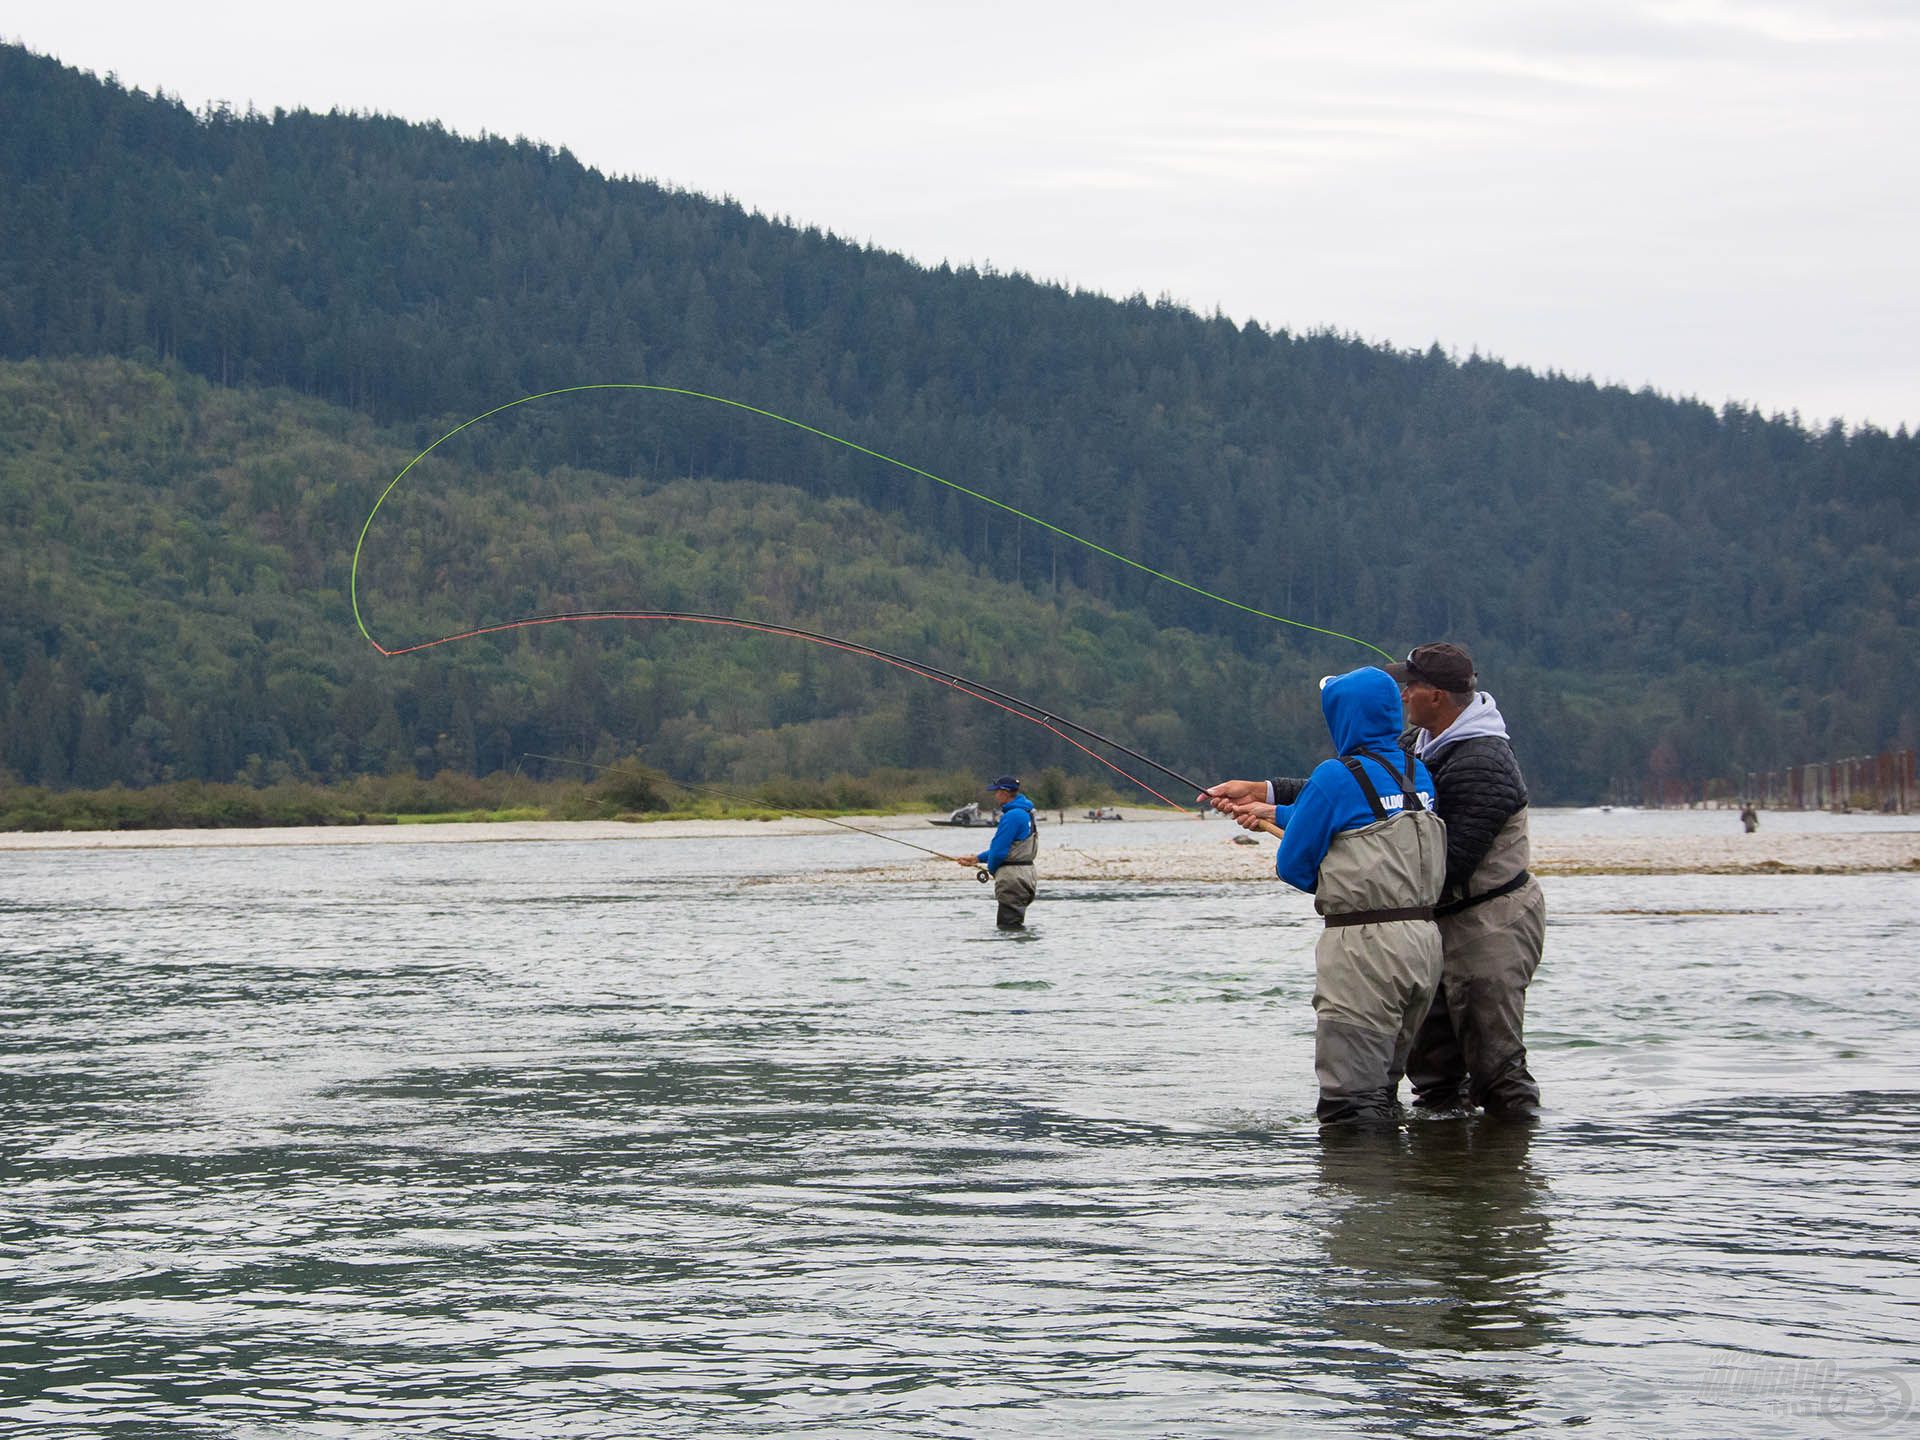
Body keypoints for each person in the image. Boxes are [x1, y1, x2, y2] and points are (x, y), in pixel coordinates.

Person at [1201, 668, 1446, 1125]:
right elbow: (1363, 825)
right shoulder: (1419, 772)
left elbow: (1294, 866)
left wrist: (1302, 843)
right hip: (1423, 943)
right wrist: (1276, 813)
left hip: (1366, 947)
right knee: (1383, 1092)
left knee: (1350, 1102)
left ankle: (1353, 1195)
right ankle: (1413, 1190)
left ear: (1342, 714)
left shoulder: (1335, 776)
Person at [1387, 643, 1546, 1118]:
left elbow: (1450, 863)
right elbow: (1360, 788)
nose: (1403, 695)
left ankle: (1508, 1179)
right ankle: (1446, 1176)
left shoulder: (1483, 759)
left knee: (1498, 1073)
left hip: (1491, 924)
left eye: (1409, 686)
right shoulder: (1414, 746)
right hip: (1438, 925)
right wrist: (1270, 796)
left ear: (1435, 696)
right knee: (1434, 1074)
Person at [953, 775, 1038, 929]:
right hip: (1027, 875)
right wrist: (977, 859)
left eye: (997, 791)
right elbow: (1014, 848)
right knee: (1015, 925)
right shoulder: (1026, 813)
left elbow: (999, 852)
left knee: (1008, 928)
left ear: (1005, 793)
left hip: (1013, 878)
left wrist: (992, 870)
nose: (995, 795)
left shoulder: (1012, 816)